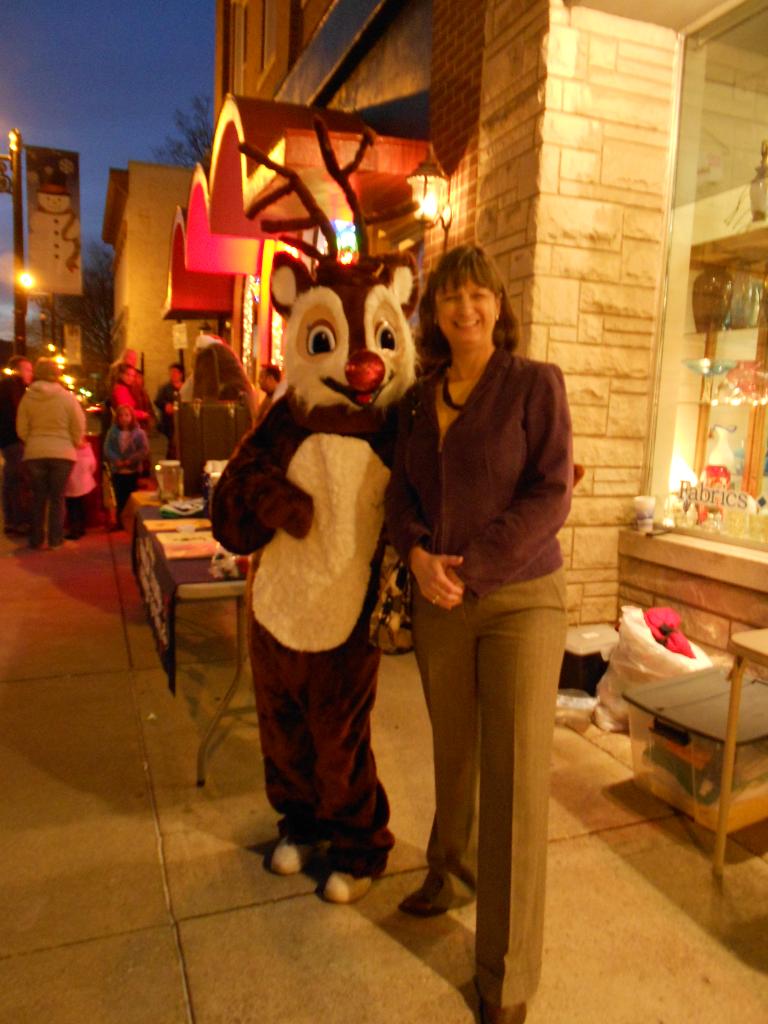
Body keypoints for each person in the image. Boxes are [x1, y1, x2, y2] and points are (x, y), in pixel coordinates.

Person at [385, 245, 573, 1024]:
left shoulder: (534, 385)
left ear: (500, 304)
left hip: (521, 601)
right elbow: (399, 500)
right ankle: (448, 872)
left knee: (516, 780)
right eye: (451, 297)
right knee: (453, 753)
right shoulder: (415, 401)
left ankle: (508, 976)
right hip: (440, 602)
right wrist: (421, 558)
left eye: (478, 295)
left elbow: (551, 491)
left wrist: (475, 567)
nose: (465, 308)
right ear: (434, 312)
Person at [16, 357, 85, 550]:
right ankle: (55, 540)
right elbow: (78, 425)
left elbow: (21, 428)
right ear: (57, 374)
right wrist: (73, 441)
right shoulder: (66, 397)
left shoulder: (28, 398)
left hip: (35, 452)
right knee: (57, 498)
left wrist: (32, 441)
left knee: (38, 497)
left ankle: (36, 539)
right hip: (62, 452)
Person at [0, 354, 34, 535]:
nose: (31, 373)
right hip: (15, 441)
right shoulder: (15, 387)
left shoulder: (6, 386)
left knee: (9, 481)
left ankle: (11, 521)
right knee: (20, 481)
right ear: (18, 370)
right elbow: (18, 415)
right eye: (28, 369)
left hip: (7, 441)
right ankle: (21, 522)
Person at [103, 404, 149, 528]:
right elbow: (108, 448)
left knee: (132, 495)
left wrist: (131, 460)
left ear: (132, 417)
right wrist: (115, 460)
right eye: (121, 416)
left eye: (127, 415)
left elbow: (143, 450)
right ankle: (120, 520)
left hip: (132, 470)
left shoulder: (139, 433)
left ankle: (132, 519)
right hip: (118, 470)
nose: (124, 418)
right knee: (119, 496)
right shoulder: (112, 433)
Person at [63, 438, 97, 539]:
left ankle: (74, 531)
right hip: (85, 483)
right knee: (81, 506)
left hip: (71, 484)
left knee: (72, 507)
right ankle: (81, 528)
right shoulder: (87, 448)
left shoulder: (67, 449)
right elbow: (93, 466)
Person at [153, 362, 184, 456]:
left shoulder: (185, 387)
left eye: (175, 372)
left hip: (183, 420)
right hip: (169, 421)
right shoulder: (165, 388)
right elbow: (158, 401)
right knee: (172, 444)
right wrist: (165, 405)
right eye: (171, 372)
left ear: (180, 374)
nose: (172, 374)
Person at [111, 363, 151, 429]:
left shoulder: (128, 388)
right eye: (128, 375)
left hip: (130, 424)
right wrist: (143, 414)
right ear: (121, 375)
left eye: (133, 376)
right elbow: (126, 411)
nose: (130, 378)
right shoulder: (120, 389)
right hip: (126, 426)